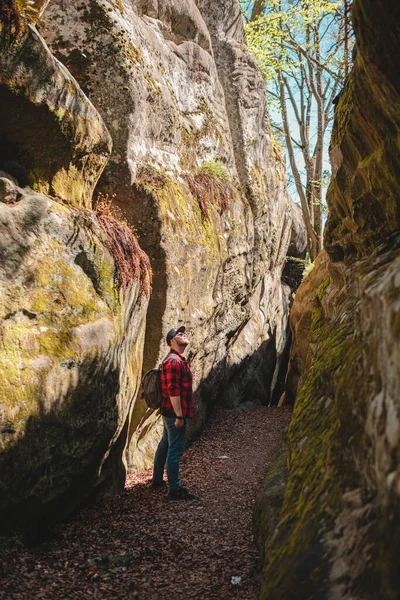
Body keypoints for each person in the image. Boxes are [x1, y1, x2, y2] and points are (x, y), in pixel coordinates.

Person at [152, 325, 196, 500]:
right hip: (174, 413)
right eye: (179, 334)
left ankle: (156, 480)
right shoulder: (174, 361)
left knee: (165, 443)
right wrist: (179, 416)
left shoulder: (177, 359)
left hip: (169, 412)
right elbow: (173, 391)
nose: (183, 334)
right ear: (172, 341)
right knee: (175, 450)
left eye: (184, 332)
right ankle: (175, 489)